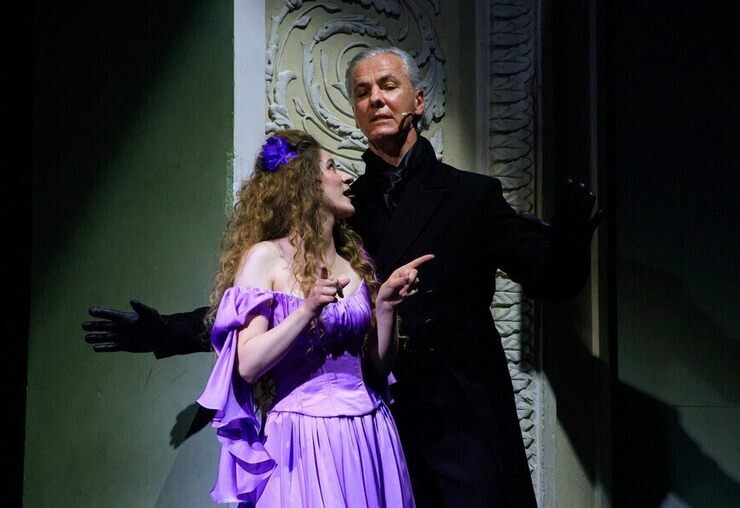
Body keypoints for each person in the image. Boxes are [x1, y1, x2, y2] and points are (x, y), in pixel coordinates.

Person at [85, 46, 602, 507]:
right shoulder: (344, 210)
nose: (375, 98)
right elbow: (270, 301)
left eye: (388, 86)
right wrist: (168, 332)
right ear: (355, 113)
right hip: (380, 422)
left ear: (417, 101)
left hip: (462, 419)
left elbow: (551, 280)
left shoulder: (472, 196)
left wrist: (571, 243)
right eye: (362, 92)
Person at [195, 128, 429, 506]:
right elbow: (248, 365)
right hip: (304, 438)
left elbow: (377, 367)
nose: (347, 177)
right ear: (305, 184)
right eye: (332, 167)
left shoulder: (355, 260)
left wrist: (385, 307)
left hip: (369, 430)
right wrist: (306, 310)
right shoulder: (265, 258)